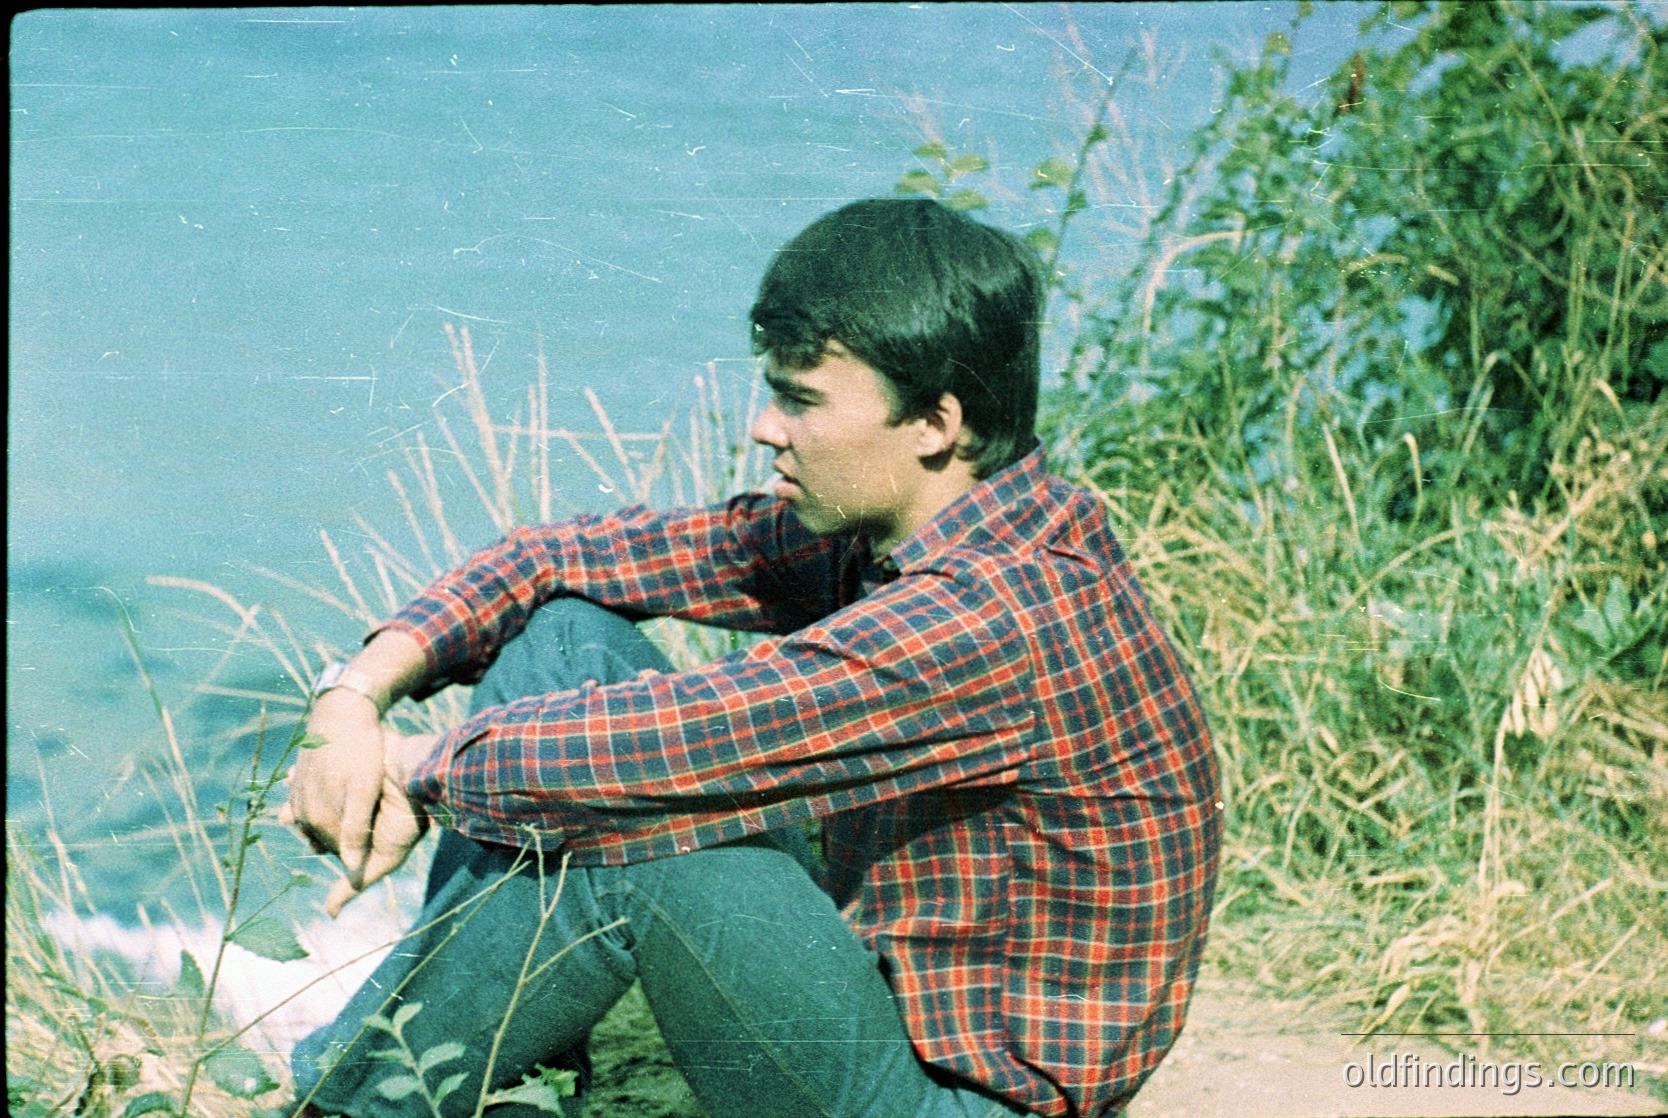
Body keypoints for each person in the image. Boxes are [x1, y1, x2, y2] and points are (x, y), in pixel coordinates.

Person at [282, 197, 1222, 1118]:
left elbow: (651, 754)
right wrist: (353, 700)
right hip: (887, 999)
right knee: (571, 630)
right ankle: (512, 1066)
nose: (767, 428)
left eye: (802, 400)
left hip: (961, 1100)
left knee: (640, 836)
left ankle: (346, 1103)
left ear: (937, 423)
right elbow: (558, 557)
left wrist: (410, 768)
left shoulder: (996, 617)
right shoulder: (908, 530)